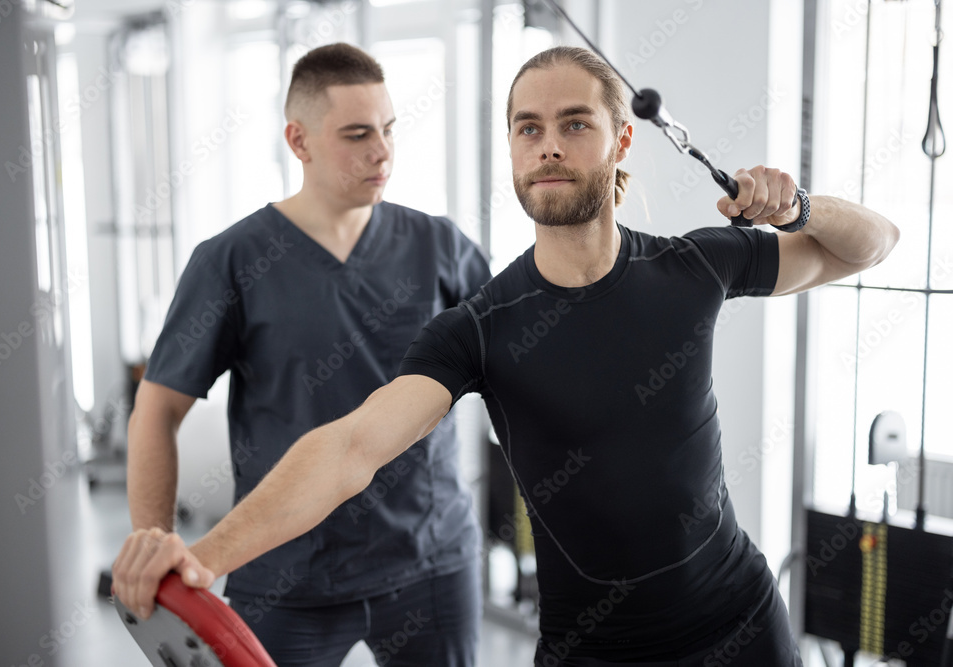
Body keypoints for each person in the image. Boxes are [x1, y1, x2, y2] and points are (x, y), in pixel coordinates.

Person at [114, 46, 899, 666]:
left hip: (740, 623)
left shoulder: (694, 267)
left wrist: (798, 206)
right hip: (590, 648)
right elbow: (353, 447)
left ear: (621, 139)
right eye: (528, 128)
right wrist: (205, 553)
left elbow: (871, 245)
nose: (548, 145)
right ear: (513, 149)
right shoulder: (479, 328)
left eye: (574, 124)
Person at [122, 43, 490, 667]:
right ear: (300, 141)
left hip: (431, 564)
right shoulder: (233, 262)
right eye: (356, 135)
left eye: (389, 129)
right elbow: (157, 409)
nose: (382, 152)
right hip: (287, 576)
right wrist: (153, 543)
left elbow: (520, 351)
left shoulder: (438, 244)